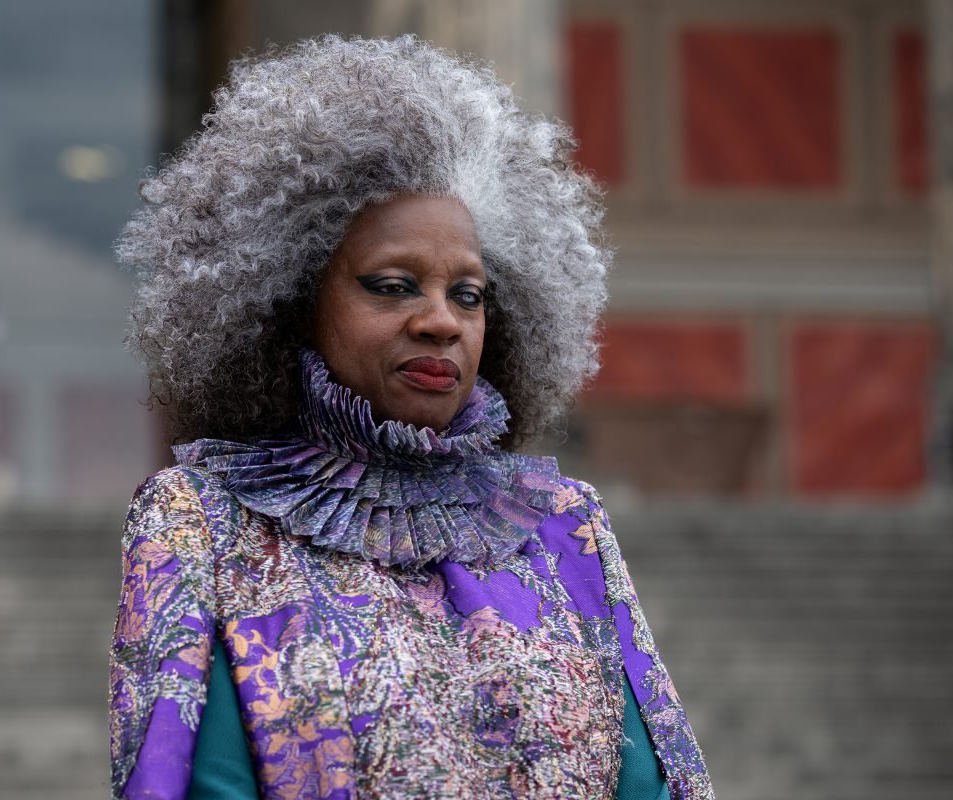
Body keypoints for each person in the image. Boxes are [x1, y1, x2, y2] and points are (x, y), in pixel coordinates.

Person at [109, 35, 713, 800]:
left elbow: (651, 786)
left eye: (468, 295)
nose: (441, 322)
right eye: (393, 285)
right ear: (292, 299)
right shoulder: (199, 524)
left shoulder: (566, 527)